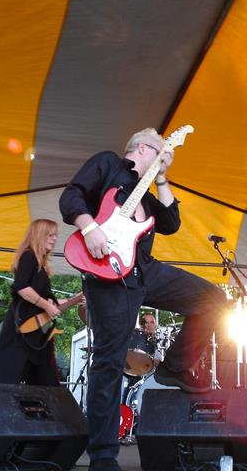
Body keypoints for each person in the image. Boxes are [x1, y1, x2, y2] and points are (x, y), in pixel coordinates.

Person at [59, 128, 227, 471]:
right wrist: (90, 228)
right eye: (161, 151)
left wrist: (162, 178)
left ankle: (174, 367)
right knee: (108, 360)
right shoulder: (108, 164)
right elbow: (71, 196)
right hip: (110, 275)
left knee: (214, 298)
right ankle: (103, 455)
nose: (165, 157)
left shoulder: (148, 197)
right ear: (142, 147)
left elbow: (171, 223)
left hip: (144, 269)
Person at [0, 219, 62, 386]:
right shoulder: (28, 256)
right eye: (50, 235)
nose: (54, 239)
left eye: (55, 235)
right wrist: (47, 306)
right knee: (6, 379)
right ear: (38, 235)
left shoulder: (41, 266)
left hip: (37, 332)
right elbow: (21, 287)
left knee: (45, 381)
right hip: (22, 329)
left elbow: (49, 302)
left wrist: (77, 299)